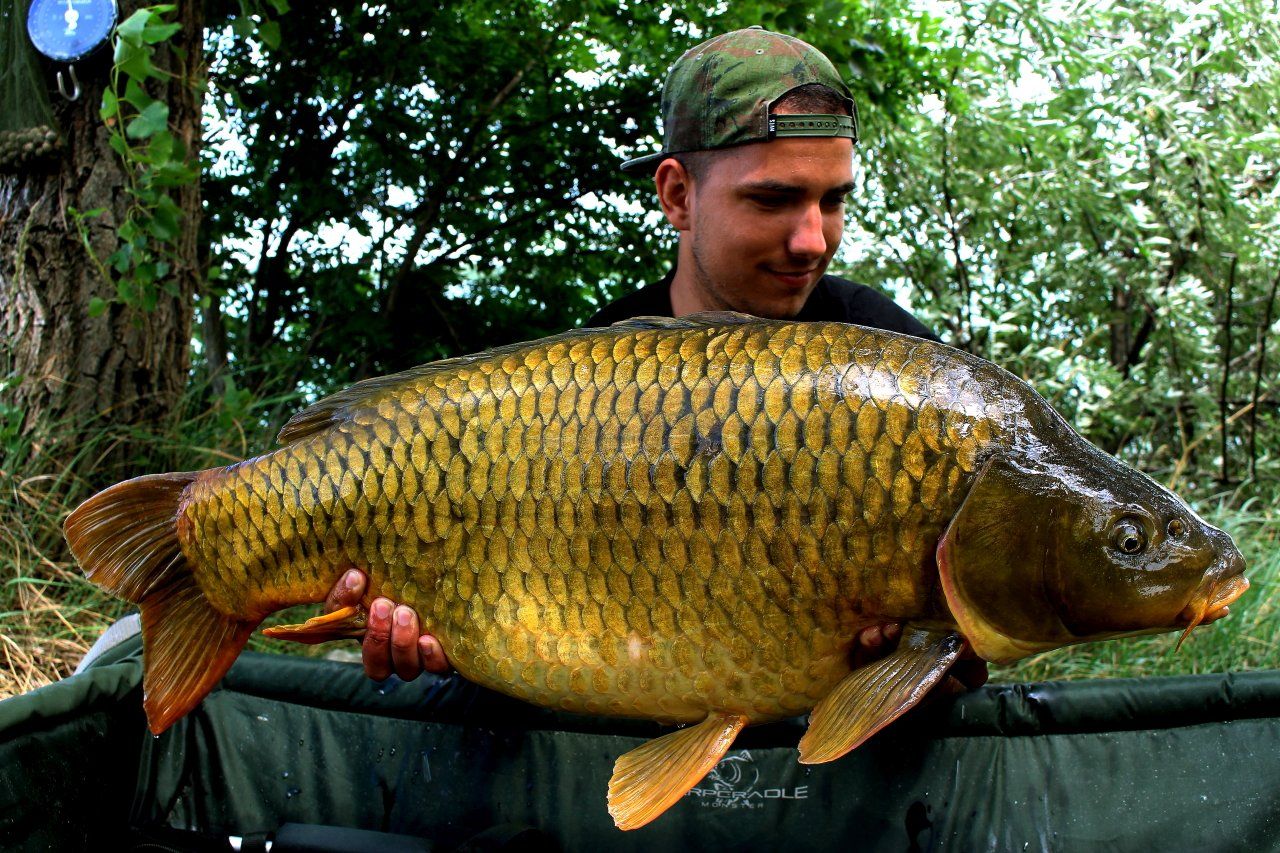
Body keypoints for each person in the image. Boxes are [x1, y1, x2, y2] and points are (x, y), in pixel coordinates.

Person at [326, 27, 987, 693]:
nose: (812, 239)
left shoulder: (897, 364)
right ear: (677, 194)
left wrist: (944, 658)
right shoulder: (583, 377)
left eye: (833, 199)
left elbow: (962, 636)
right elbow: (521, 628)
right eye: (773, 199)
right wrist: (450, 642)